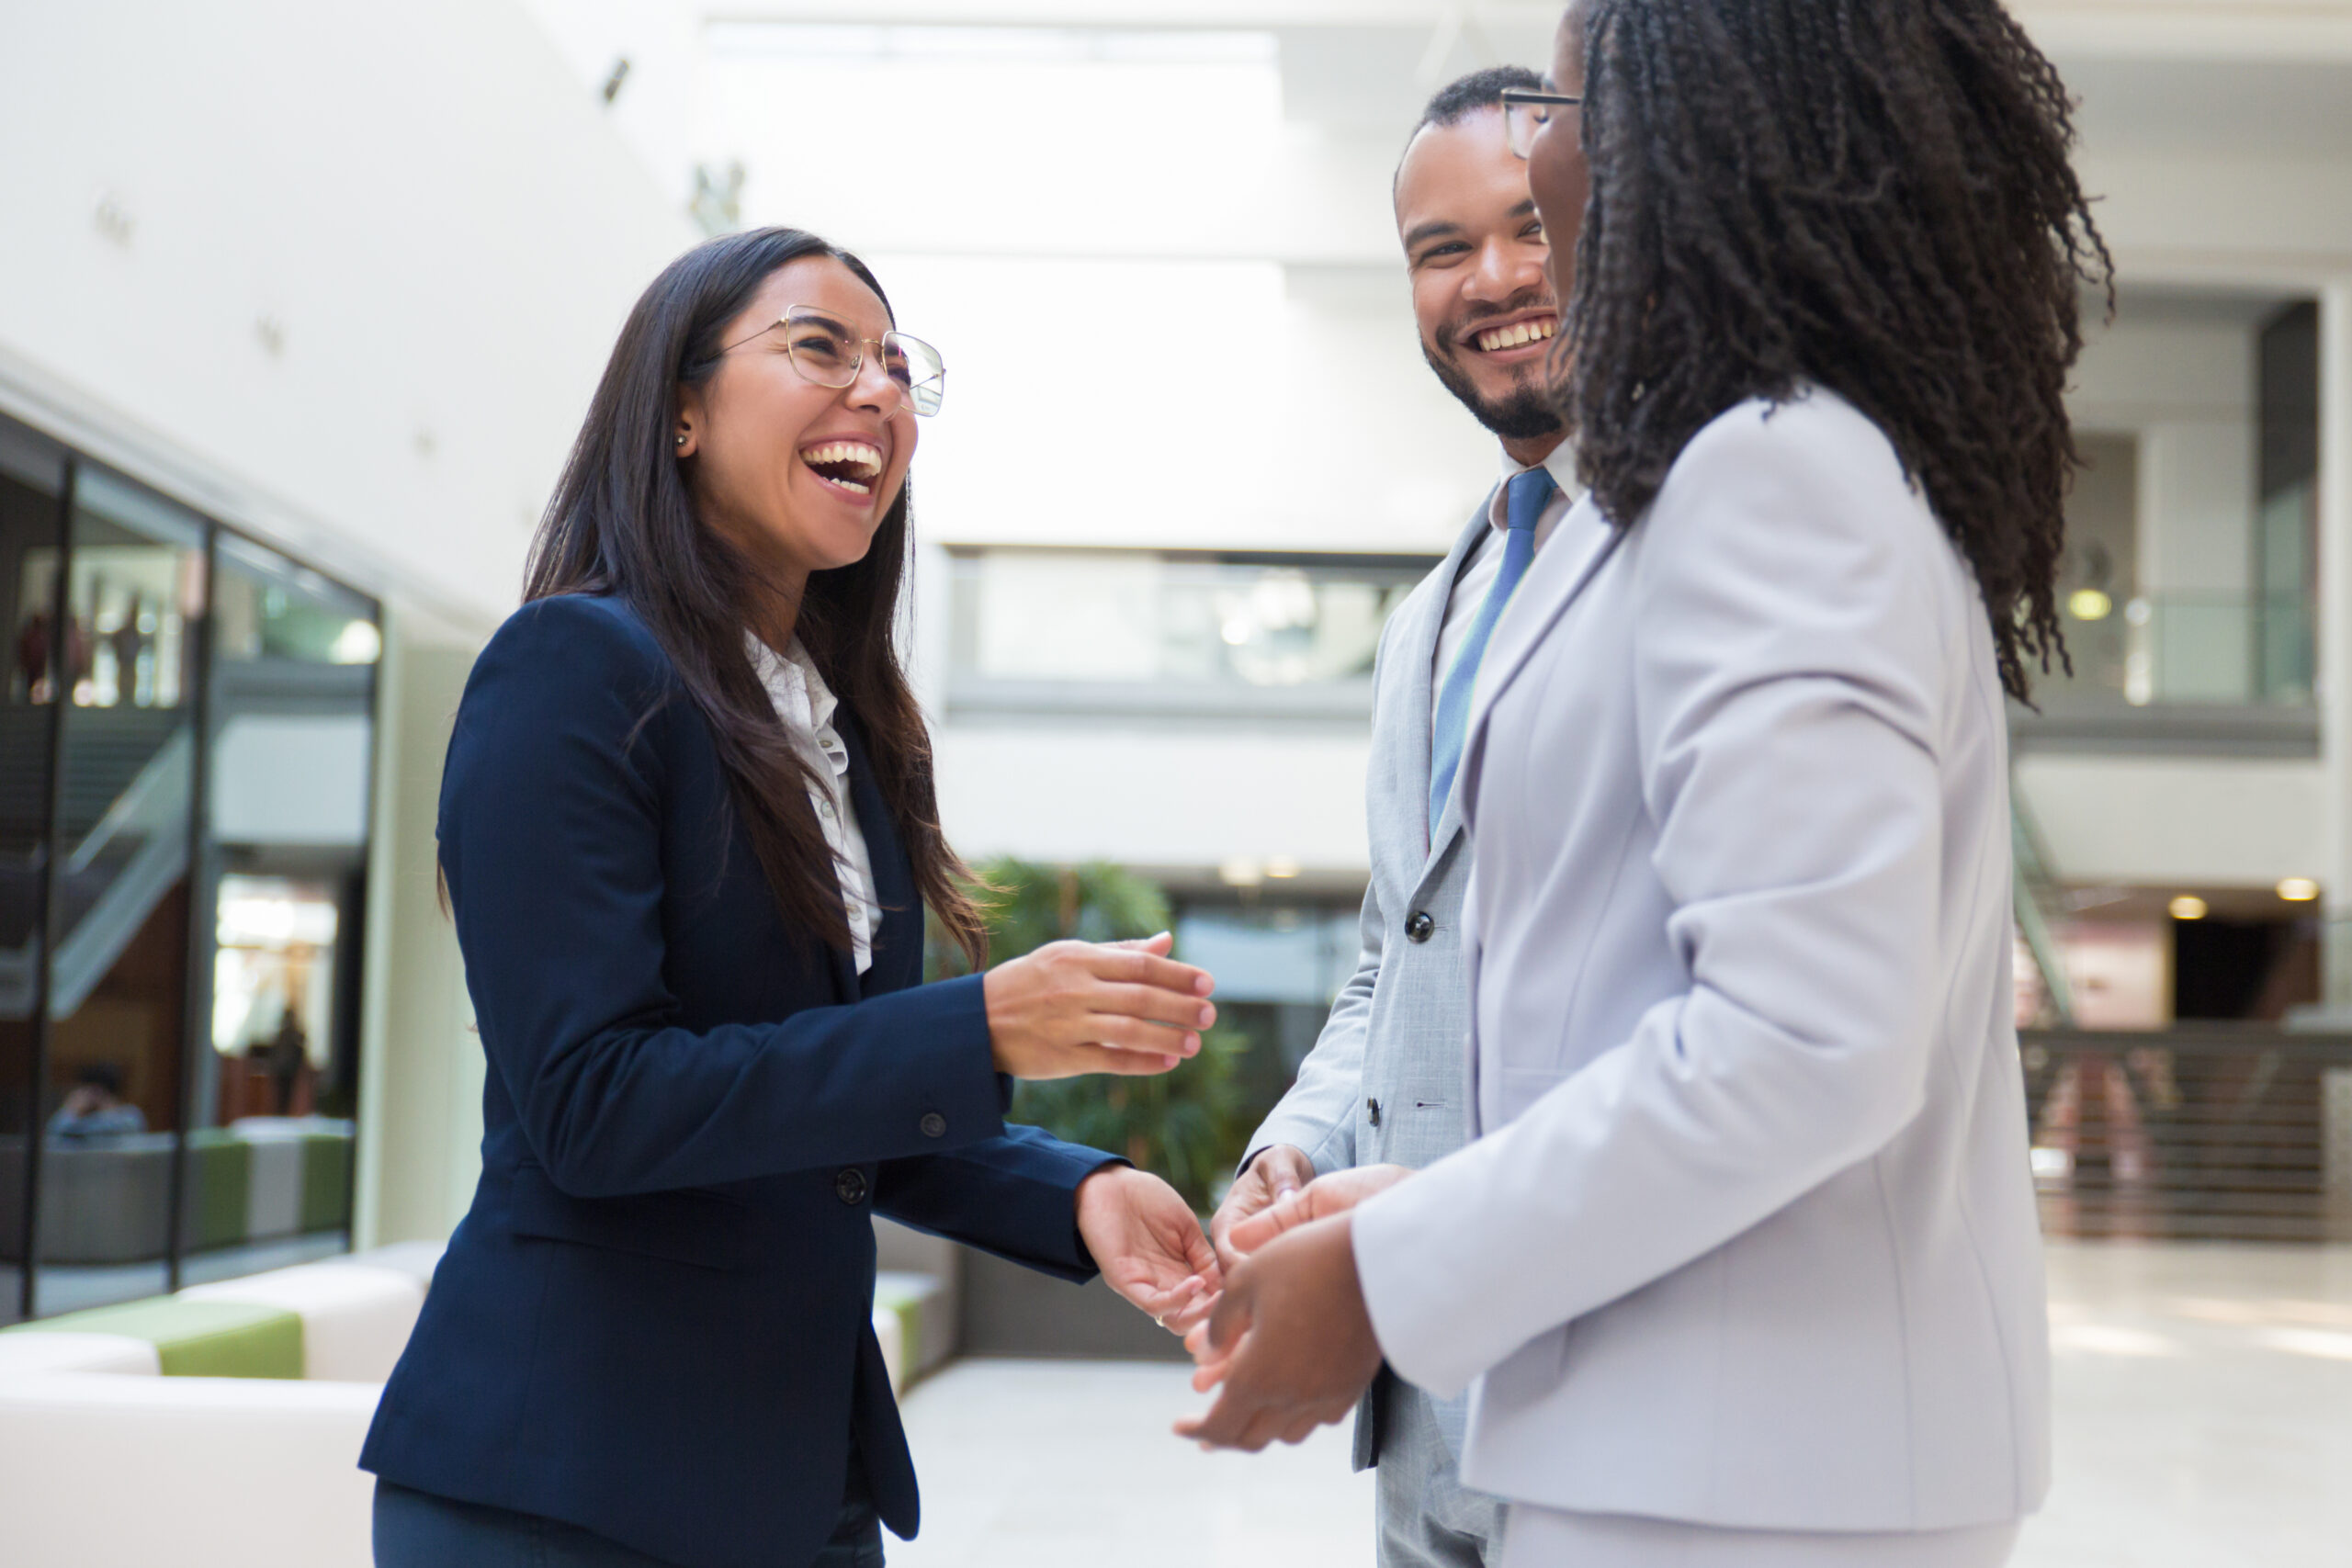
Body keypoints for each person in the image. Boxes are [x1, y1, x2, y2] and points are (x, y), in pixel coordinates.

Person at [1183, 3, 2110, 1565]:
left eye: (1565, 115)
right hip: (1680, 1441)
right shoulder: (1733, 474)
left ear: (1691, 135)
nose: (1543, 162)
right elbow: (1576, 989)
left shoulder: (1771, 469)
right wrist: (1375, 1188)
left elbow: (1805, 1037)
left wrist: (1389, 1267)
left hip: (1749, 1473)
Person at [361, 226, 1227, 1568]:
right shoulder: (572, 666)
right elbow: (595, 1103)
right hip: (564, 1488)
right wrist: (978, 1026)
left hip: (794, 1486)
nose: (878, 392)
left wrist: (1074, 1195)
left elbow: (827, 1112)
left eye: (897, 367)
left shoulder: (845, 733)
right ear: (685, 410)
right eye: (820, 347)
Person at [1204, 63, 1567, 1568]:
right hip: (1427, 1430)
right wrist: (1294, 1146)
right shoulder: (1431, 613)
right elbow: (1391, 950)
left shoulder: (1700, 547)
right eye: (1440, 248)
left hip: (1613, 1405)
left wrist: (1388, 1242)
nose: (1491, 280)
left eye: (1532, 224)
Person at [47, 1064, 146, 1139]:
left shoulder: (130, 1116)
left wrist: (69, 1111)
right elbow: (52, 1134)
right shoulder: (79, 1121)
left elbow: (110, 1129)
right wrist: (71, 1110)